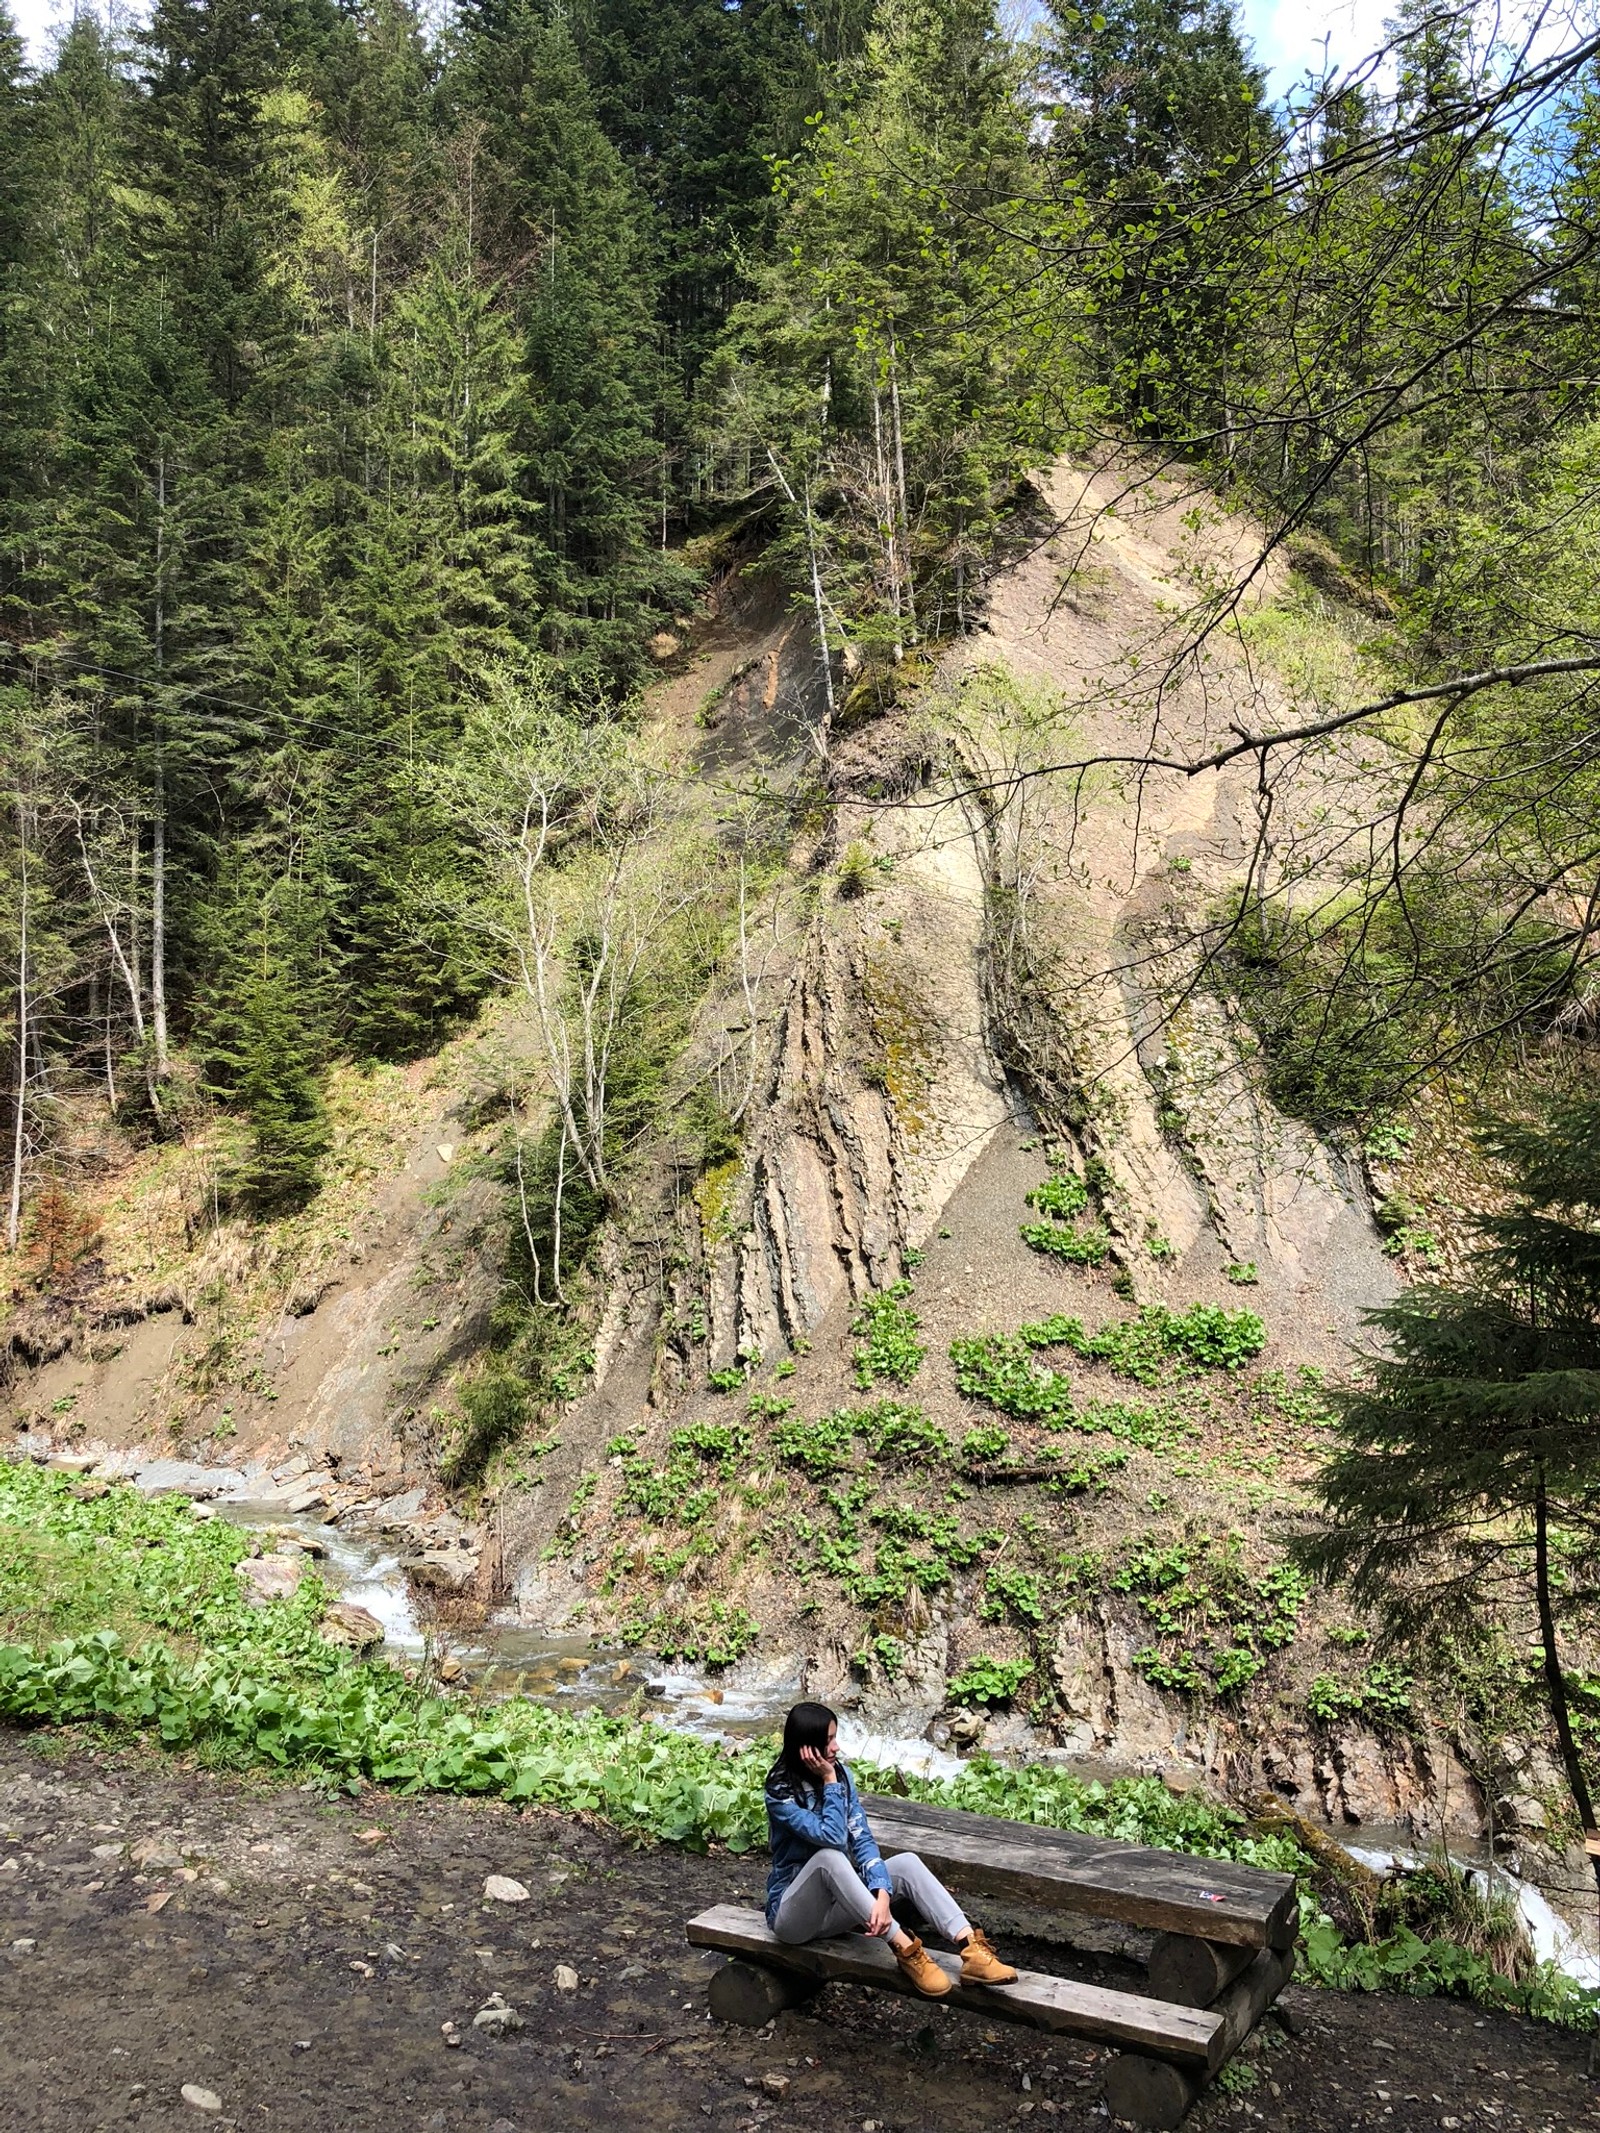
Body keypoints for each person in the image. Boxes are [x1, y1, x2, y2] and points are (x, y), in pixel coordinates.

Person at [763, 1701, 1018, 1998]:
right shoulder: (780, 1791)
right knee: (828, 1858)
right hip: (793, 1919)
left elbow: (862, 1839)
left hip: (839, 1909)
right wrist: (829, 1780)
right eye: (828, 1740)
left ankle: (971, 1951)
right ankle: (904, 1948)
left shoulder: (842, 1776)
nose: (836, 1747)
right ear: (806, 1747)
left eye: (835, 1737)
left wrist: (882, 1893)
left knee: (907, 1863)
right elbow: (832, 1837)